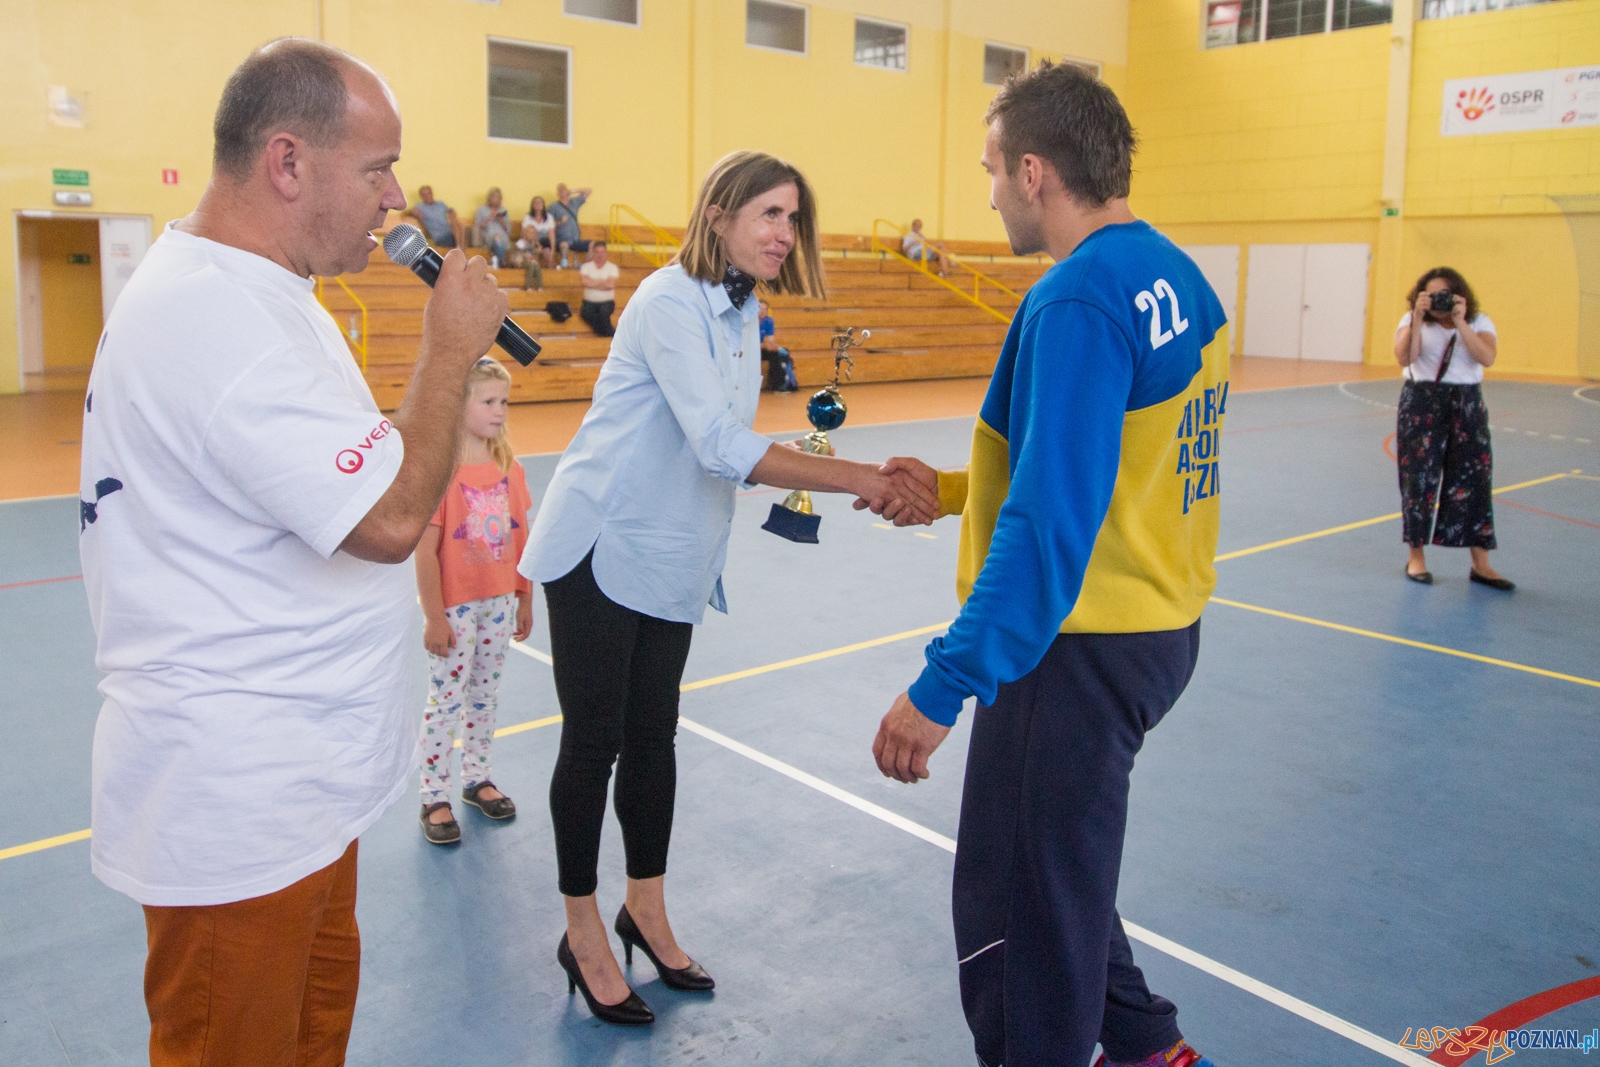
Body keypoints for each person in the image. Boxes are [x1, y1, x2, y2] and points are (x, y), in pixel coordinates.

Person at [76, 39, 508, 1067]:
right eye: (375, 169)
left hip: (300, 788)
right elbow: (395, 515)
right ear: (286, 163)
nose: (398, 198)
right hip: (240, 806)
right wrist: (450, 346)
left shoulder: (267, 294)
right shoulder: (213, 317)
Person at [518, 150, 938, 1028]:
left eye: (794, 218)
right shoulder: (669, 300)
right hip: (601, 545)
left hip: (672, 555)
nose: (786, 233)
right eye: (771, 215)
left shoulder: (744, 309)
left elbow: (725, 450)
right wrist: (861, 477)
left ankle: (648, 910)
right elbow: (717, 442)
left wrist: (820, 475)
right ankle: (583, 931)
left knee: (654, 738)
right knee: (595, 743)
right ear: (720, 214)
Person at [863, 63, 1224, 1067]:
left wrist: (945, 678)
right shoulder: (1174, 275)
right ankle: (1148, 1042)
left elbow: (1053, 517)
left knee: (1015, 905)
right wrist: (948, 488)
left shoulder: (1077, 299)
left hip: (1075, 645)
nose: (985, 193)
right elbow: (1112, 464)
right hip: (1156, 624)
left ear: (1034, 172)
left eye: (989, 170)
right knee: (1061, 868)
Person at [416, 357, 534, 845]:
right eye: (488, 401)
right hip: (456, 607)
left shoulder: (512, 469)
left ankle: (476, 777)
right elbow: (425, 551)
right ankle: (433, 795)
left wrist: (525, 598)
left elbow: (523, 539)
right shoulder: (442, 474)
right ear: (458, 405)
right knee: (446, 700)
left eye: (503, 401)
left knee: (485, 697)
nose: (499, 411)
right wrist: (434, 616)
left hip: (499, 601)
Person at [1393, 267, 1512, 590]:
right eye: (1430, 295)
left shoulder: (1478, 322)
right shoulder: (1411, 320)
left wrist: (1460, 322)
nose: (1437, 301)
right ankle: (1416, 557)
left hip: (1466, 403)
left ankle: (1481, 564)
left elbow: (1486, 357)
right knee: (1418, 480)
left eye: (1443, 294)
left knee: (1474, 480)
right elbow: (1405, 356)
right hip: (1421, 402)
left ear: (1459, 295)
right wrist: (1417, 319)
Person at [579, 240, 620, 337]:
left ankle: (611, 335)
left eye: (602, 252)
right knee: (586, 314)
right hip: (589, 303)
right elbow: (585, 282)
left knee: (602, 315)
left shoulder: (612, 267)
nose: (599, 255)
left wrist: (593, 282)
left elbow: (610, 285)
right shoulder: (586, 267)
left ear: (606, 253)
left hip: (606, 302)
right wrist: (602, 282)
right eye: (597, 252)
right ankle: (613, 334)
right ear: (593, 253)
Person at [404, 184, 464, 248]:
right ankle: (460, 249)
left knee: (462, 227)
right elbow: (406, 213)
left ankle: (459, 248)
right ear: (421, 196)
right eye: (424, 195)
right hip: (441, 237)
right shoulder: (420, 207)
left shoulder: (440, 204)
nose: (427, 196)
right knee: (460, 229)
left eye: (428, 194)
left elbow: (450, 211)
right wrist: (412, 212)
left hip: (451, 233)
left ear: (432, 194)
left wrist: (452, 211)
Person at [549, 182, 591, 265]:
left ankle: (586, 265)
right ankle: (564, 265)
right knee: (564, 245)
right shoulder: (553, 207)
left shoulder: (574, 202)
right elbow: (548, 224)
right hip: (563, 239)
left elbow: (588, 191)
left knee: (594, 245)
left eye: (564, 189)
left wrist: (572, 191)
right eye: (560, 190)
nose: (563, 192)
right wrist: (560, 222)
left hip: (576, 238)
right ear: (557, 193)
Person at [758, 298, 796, 391]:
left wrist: (773, 346)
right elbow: (746, 344)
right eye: (760, 309)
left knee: (777, 353)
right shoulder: (749, 322)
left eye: (765, 309)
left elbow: (771, 340)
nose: (762, 312)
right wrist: (765, 345)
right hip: (747, 351)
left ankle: (777, 384)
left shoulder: (769, 321)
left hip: (760, 348)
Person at [474, 186, 511, 265]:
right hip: (487, 236)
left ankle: (500, 260)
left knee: (498, 238)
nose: (496, 199)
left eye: (498, 197)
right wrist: (489, 219)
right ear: (489, 198)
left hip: (502, 237)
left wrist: (502, 222)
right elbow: (477, 227)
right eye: (493, 196)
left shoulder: (503, 210)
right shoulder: (481, 210)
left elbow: (508, 230)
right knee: (496, 236)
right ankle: (503, 261)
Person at [520, 195, 557, 268]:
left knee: (547, 251)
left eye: (540, 203)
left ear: (543, 205)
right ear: (532, 205)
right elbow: (523, 234)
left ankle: (550, 271)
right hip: (531, 241)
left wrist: (553, 250)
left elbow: (551, 235)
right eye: (536, 203)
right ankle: (533, 268)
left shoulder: (549, 217)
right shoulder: (528, 217)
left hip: (545, 242)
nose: (538, 204)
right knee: (532, 248)